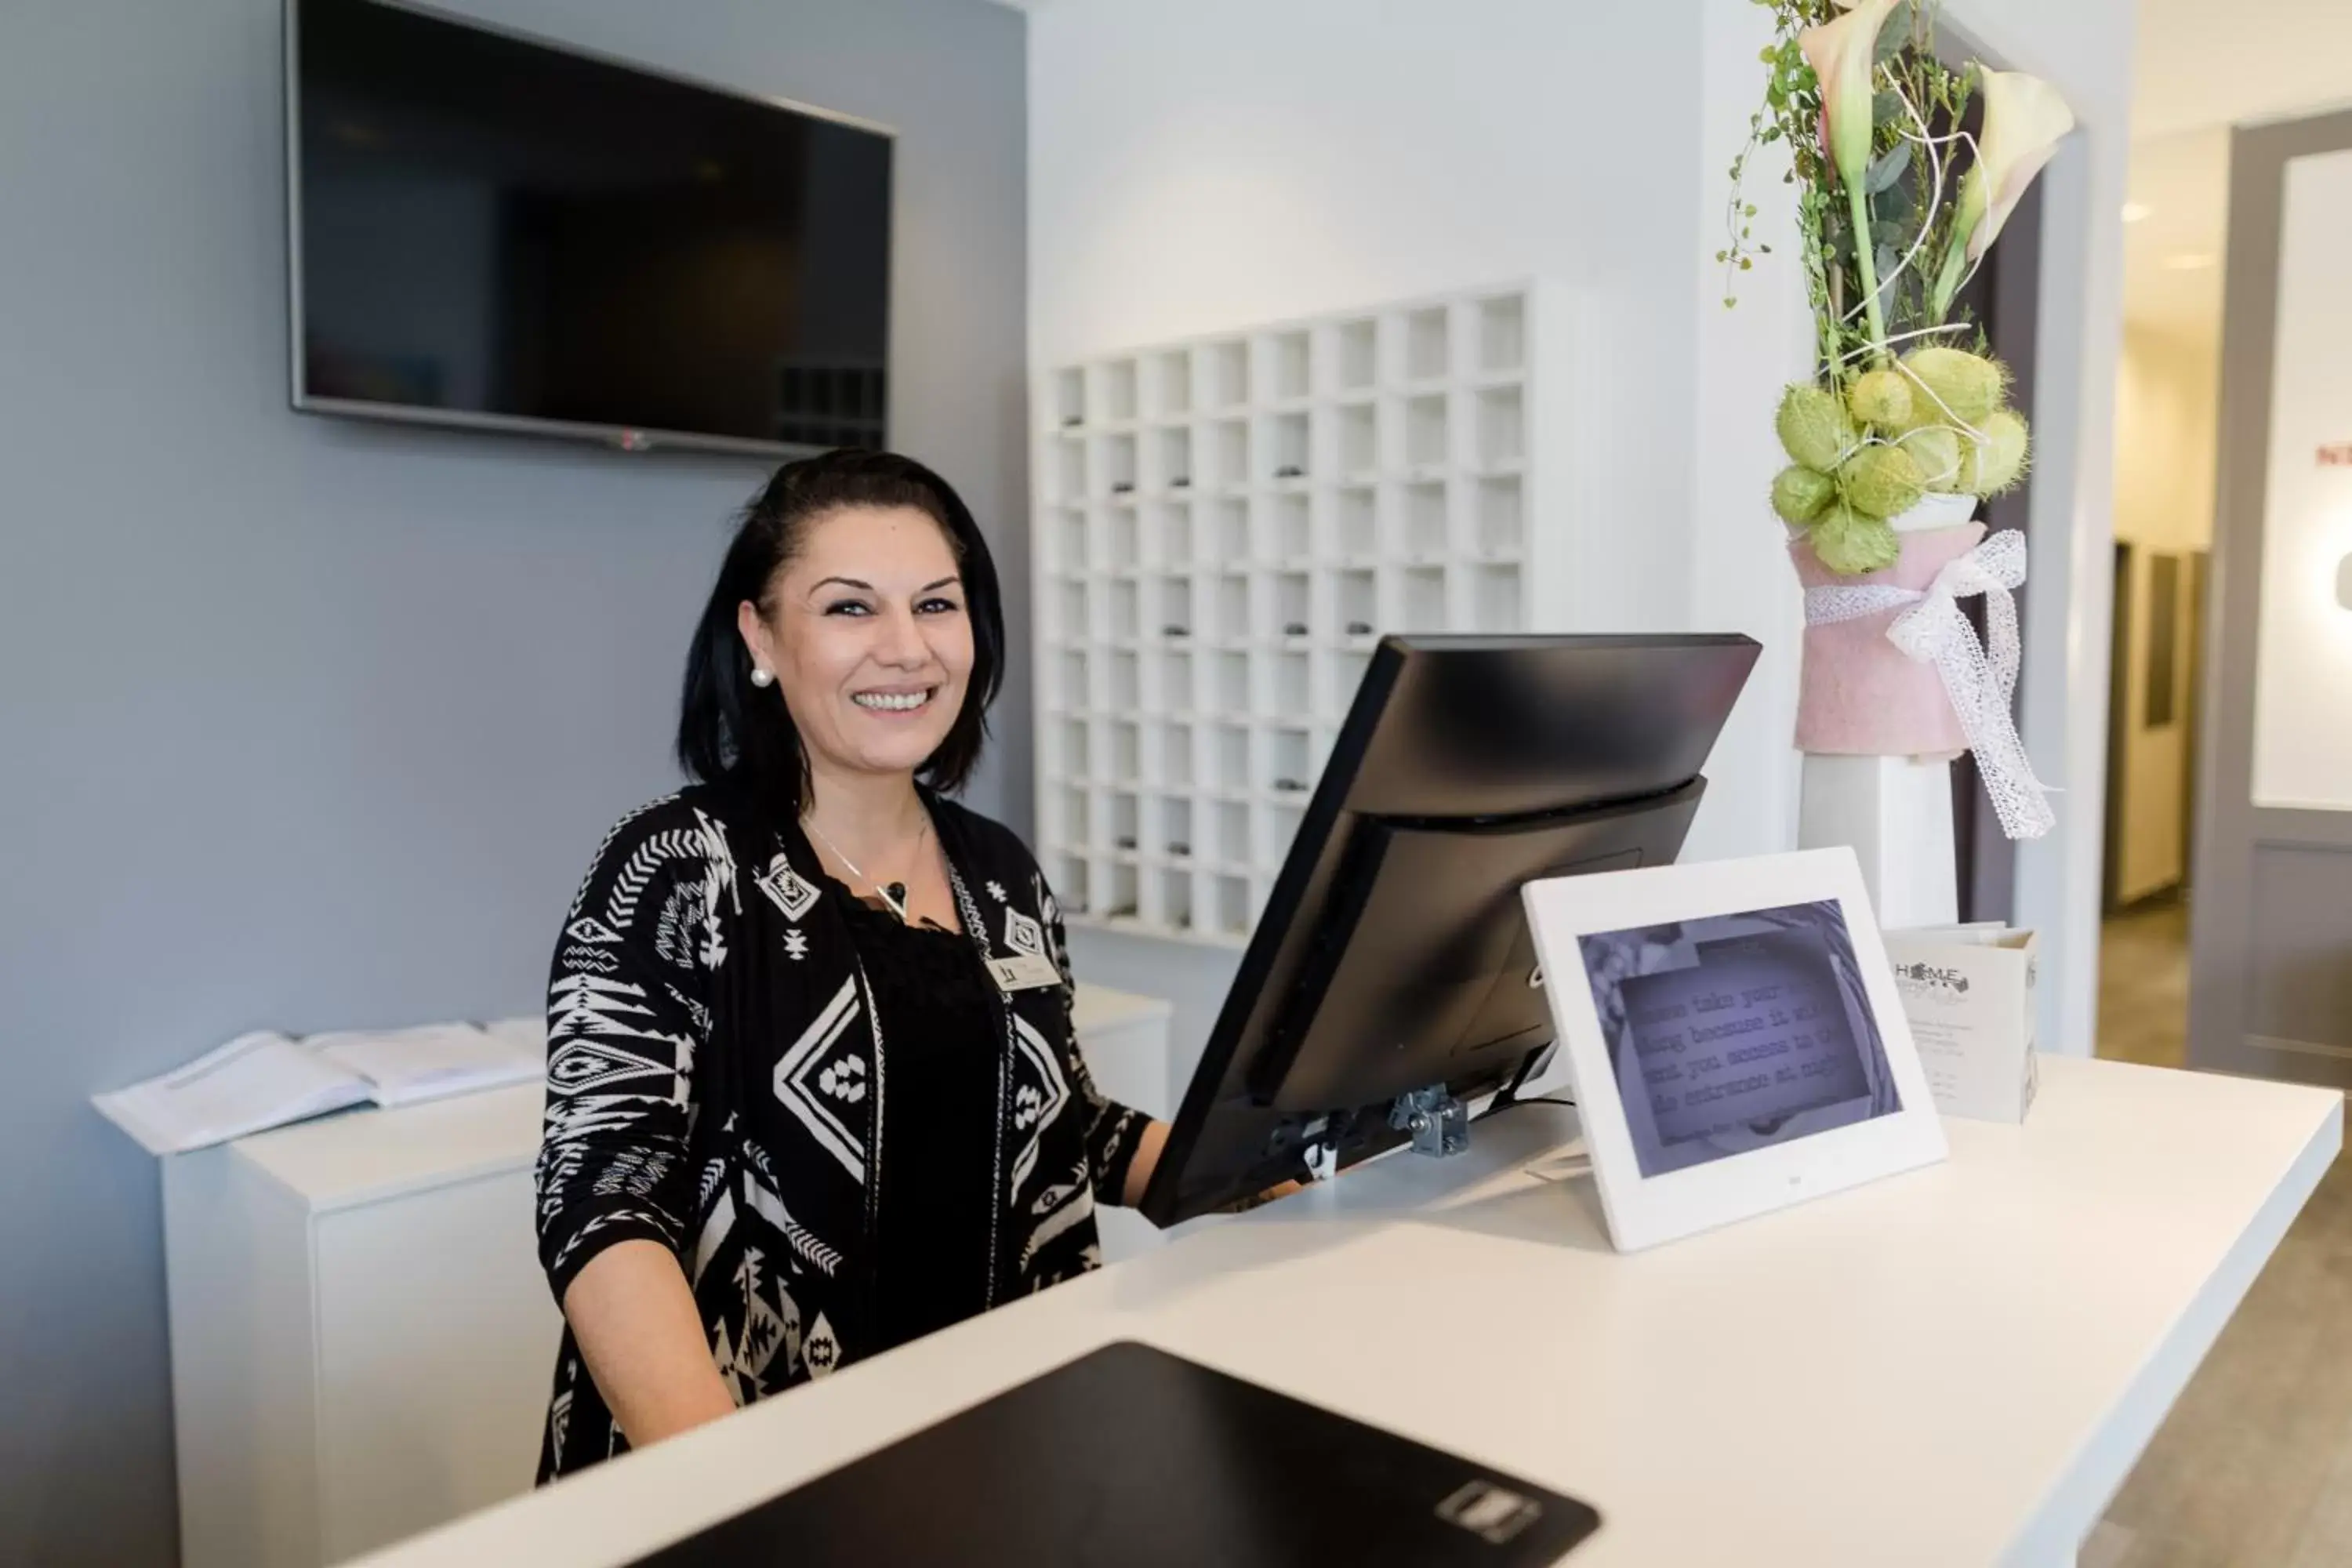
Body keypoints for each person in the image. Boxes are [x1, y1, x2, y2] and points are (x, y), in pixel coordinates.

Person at [532, 449, 1168, 1480]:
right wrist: (733, 1489)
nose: (907, 649)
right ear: (760, 637)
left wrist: (1268, 1158)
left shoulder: (999, 874)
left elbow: (1067, 1126)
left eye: (936, 604)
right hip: (760, 1472)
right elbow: (605, 1191)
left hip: (995, 1446)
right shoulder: (677, 867)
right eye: (849, 609)